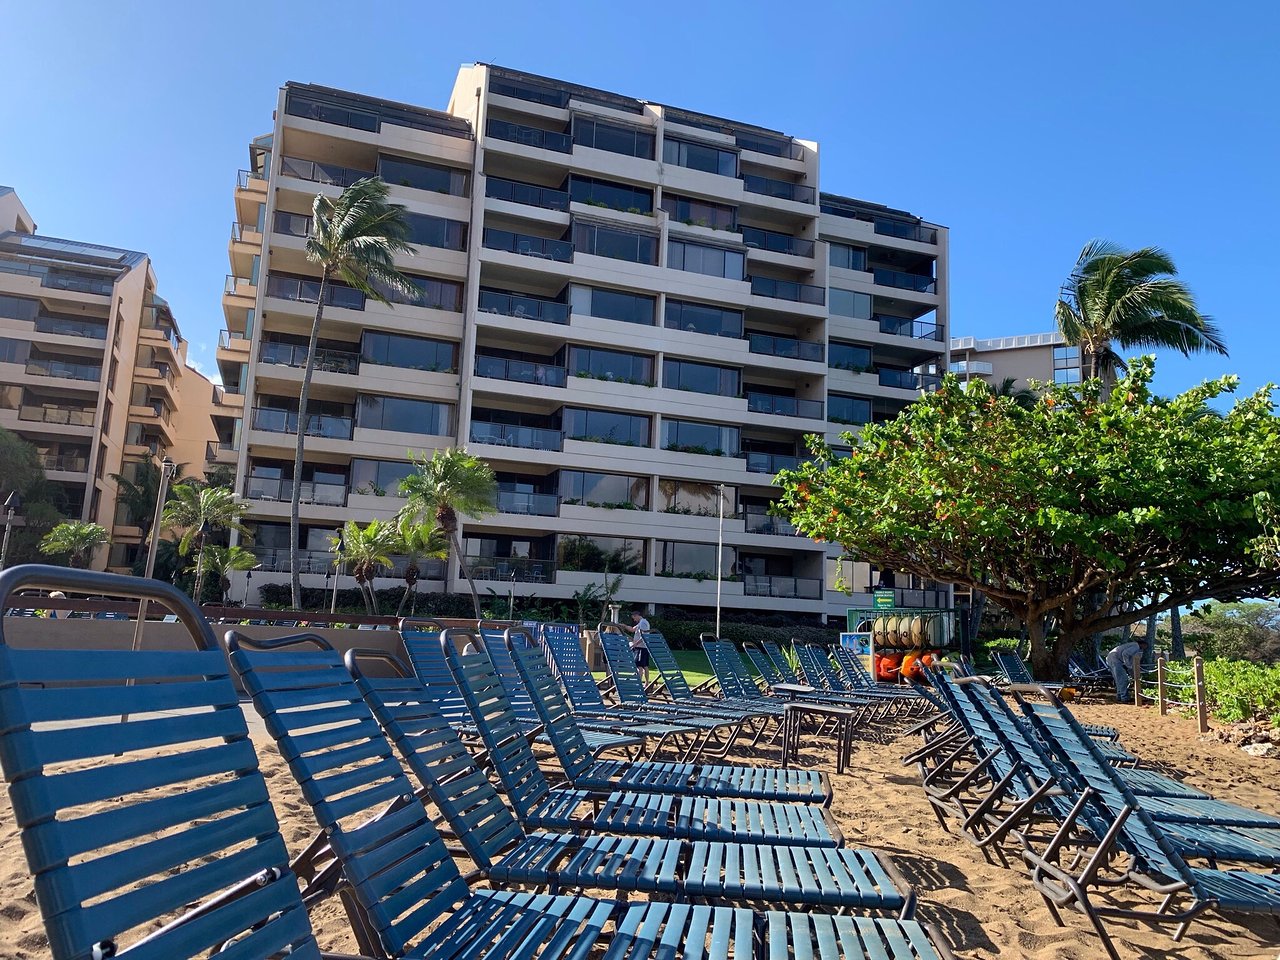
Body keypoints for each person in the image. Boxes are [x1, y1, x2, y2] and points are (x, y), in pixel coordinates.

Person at [1105, 636, 1148, 703]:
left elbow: (1130, 661)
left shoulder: (1133, 646)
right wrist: (1128, 665)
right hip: (1115, 659)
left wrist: (1133, 674)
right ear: (1143, 644)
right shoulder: (1136, 646)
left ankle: (1120, 696)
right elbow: (1125, 654)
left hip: (1111, 658)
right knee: (1123, 679)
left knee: (1118, 679)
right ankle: (1124, 697)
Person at [623, 610, 651, 685]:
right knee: (644, 665)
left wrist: (634, 644)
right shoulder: (641, 623)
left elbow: (644, 637)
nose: (634, 620)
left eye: (634, 618)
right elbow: (632, 629)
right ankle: (646, 683)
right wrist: (624, 626)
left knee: (640, 666)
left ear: (637, 615)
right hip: (642, 647)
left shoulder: (643, 623)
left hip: (641, 647)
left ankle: (639, 683)